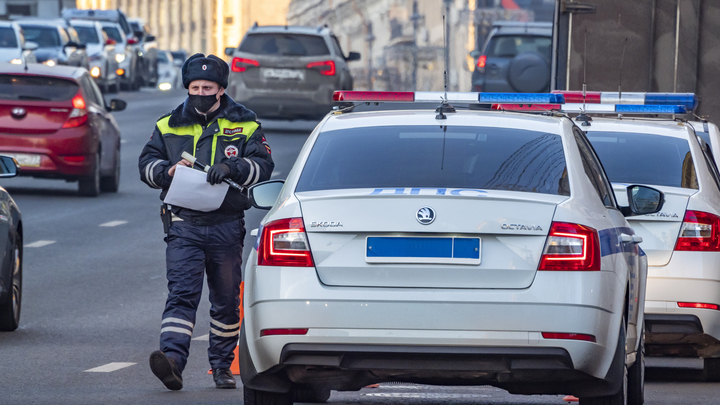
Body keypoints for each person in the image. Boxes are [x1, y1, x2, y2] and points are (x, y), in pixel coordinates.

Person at [138, 53, 273, 390]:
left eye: (207, 87)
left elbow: (263, 165)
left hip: (227, 224)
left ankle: (222, 366)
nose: (200, 91)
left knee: (226, 300)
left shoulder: (245, 123)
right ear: (188, 88)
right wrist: (166, 171)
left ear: (220, 89)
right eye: (194, 86)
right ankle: (172, 361)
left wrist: (233, 167)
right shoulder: (168, 124)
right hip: (183, 223)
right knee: (182, 294)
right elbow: (146, 165)